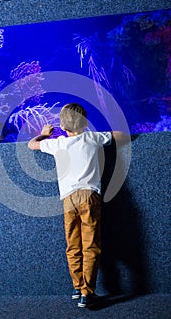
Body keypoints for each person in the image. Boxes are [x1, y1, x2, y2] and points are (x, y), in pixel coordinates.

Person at [28, 103, 129, 308]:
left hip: (68, 199)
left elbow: (32, 144)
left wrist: (44, 134)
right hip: (89, 197)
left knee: (73, 244)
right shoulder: (92, 138)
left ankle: (77, 286)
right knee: (90, 245)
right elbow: (122, 135)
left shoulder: (57, 144)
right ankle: (87, 293)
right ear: (85, 124)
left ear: (62, 128)